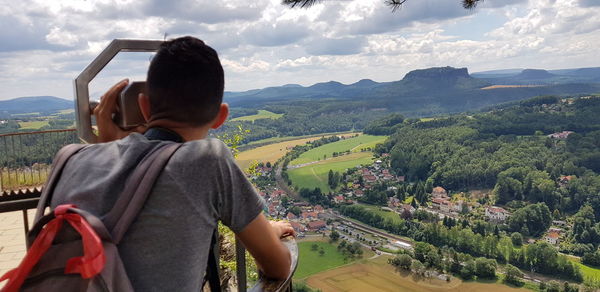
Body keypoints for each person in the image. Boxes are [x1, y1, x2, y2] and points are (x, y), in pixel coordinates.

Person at [50, 36, 294, 291]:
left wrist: (108, 148)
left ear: (144, 107)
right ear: (220, 117)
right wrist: (270, 233)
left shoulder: (68, 160)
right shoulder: (209, 160)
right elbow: (277, 265)